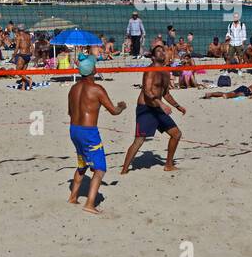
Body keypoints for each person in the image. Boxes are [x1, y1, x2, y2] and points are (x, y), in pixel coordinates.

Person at [66, 53, 126, 215]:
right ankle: (90, 204)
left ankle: (73, 197)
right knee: (100, 169)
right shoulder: (97, 89)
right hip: (88, 132)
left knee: (82, 164)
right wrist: (122, 106)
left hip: (74, 130)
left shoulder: (73, 89)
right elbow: (114, 111)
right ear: (93, 69)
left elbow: (70, 112)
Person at [120, 44, 186, 173]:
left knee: (176, 134)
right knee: (139, 140)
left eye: (163, 51)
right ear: (153, 57)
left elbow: (166, 93)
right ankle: (124, 170)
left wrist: (178, 106)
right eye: (158, 51)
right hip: (146, 108)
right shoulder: (150, 70)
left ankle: (168, 165)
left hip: (157, 108)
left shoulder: (166, 72)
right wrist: (161, 104)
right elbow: (147, 91)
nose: (162, 53)